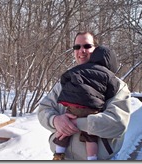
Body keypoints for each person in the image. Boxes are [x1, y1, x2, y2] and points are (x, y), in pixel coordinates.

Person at [37, 31, 131, 160]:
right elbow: (43, 109)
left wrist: (77, 123)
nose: (81, 51)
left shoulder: (116, 85)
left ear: (96, 50)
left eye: (87, 46)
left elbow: (117, 124)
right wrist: (55, 120)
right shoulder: (67, 81)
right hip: (62, 157)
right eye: (77, 47)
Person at [52, 45, 120, 160]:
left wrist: (68, 90)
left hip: (72, 104)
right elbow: (112, 90)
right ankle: (92, 158)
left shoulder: (81, 69)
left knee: (66, 125)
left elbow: (65, 77)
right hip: (91, 107)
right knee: (90, 136)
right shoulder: (109, 75)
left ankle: (58, 153)